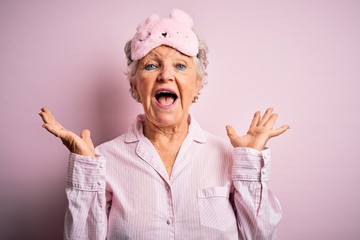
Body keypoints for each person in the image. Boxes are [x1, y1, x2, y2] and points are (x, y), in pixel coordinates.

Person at [39, 9, 289, 240]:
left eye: (180, 66)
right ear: (135, 85)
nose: (166, 75)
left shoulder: (229, 158)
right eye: (151, 65)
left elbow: (260, 236)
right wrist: (85, 170)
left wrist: (249, 163)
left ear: (197, 85)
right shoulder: (103, 160)